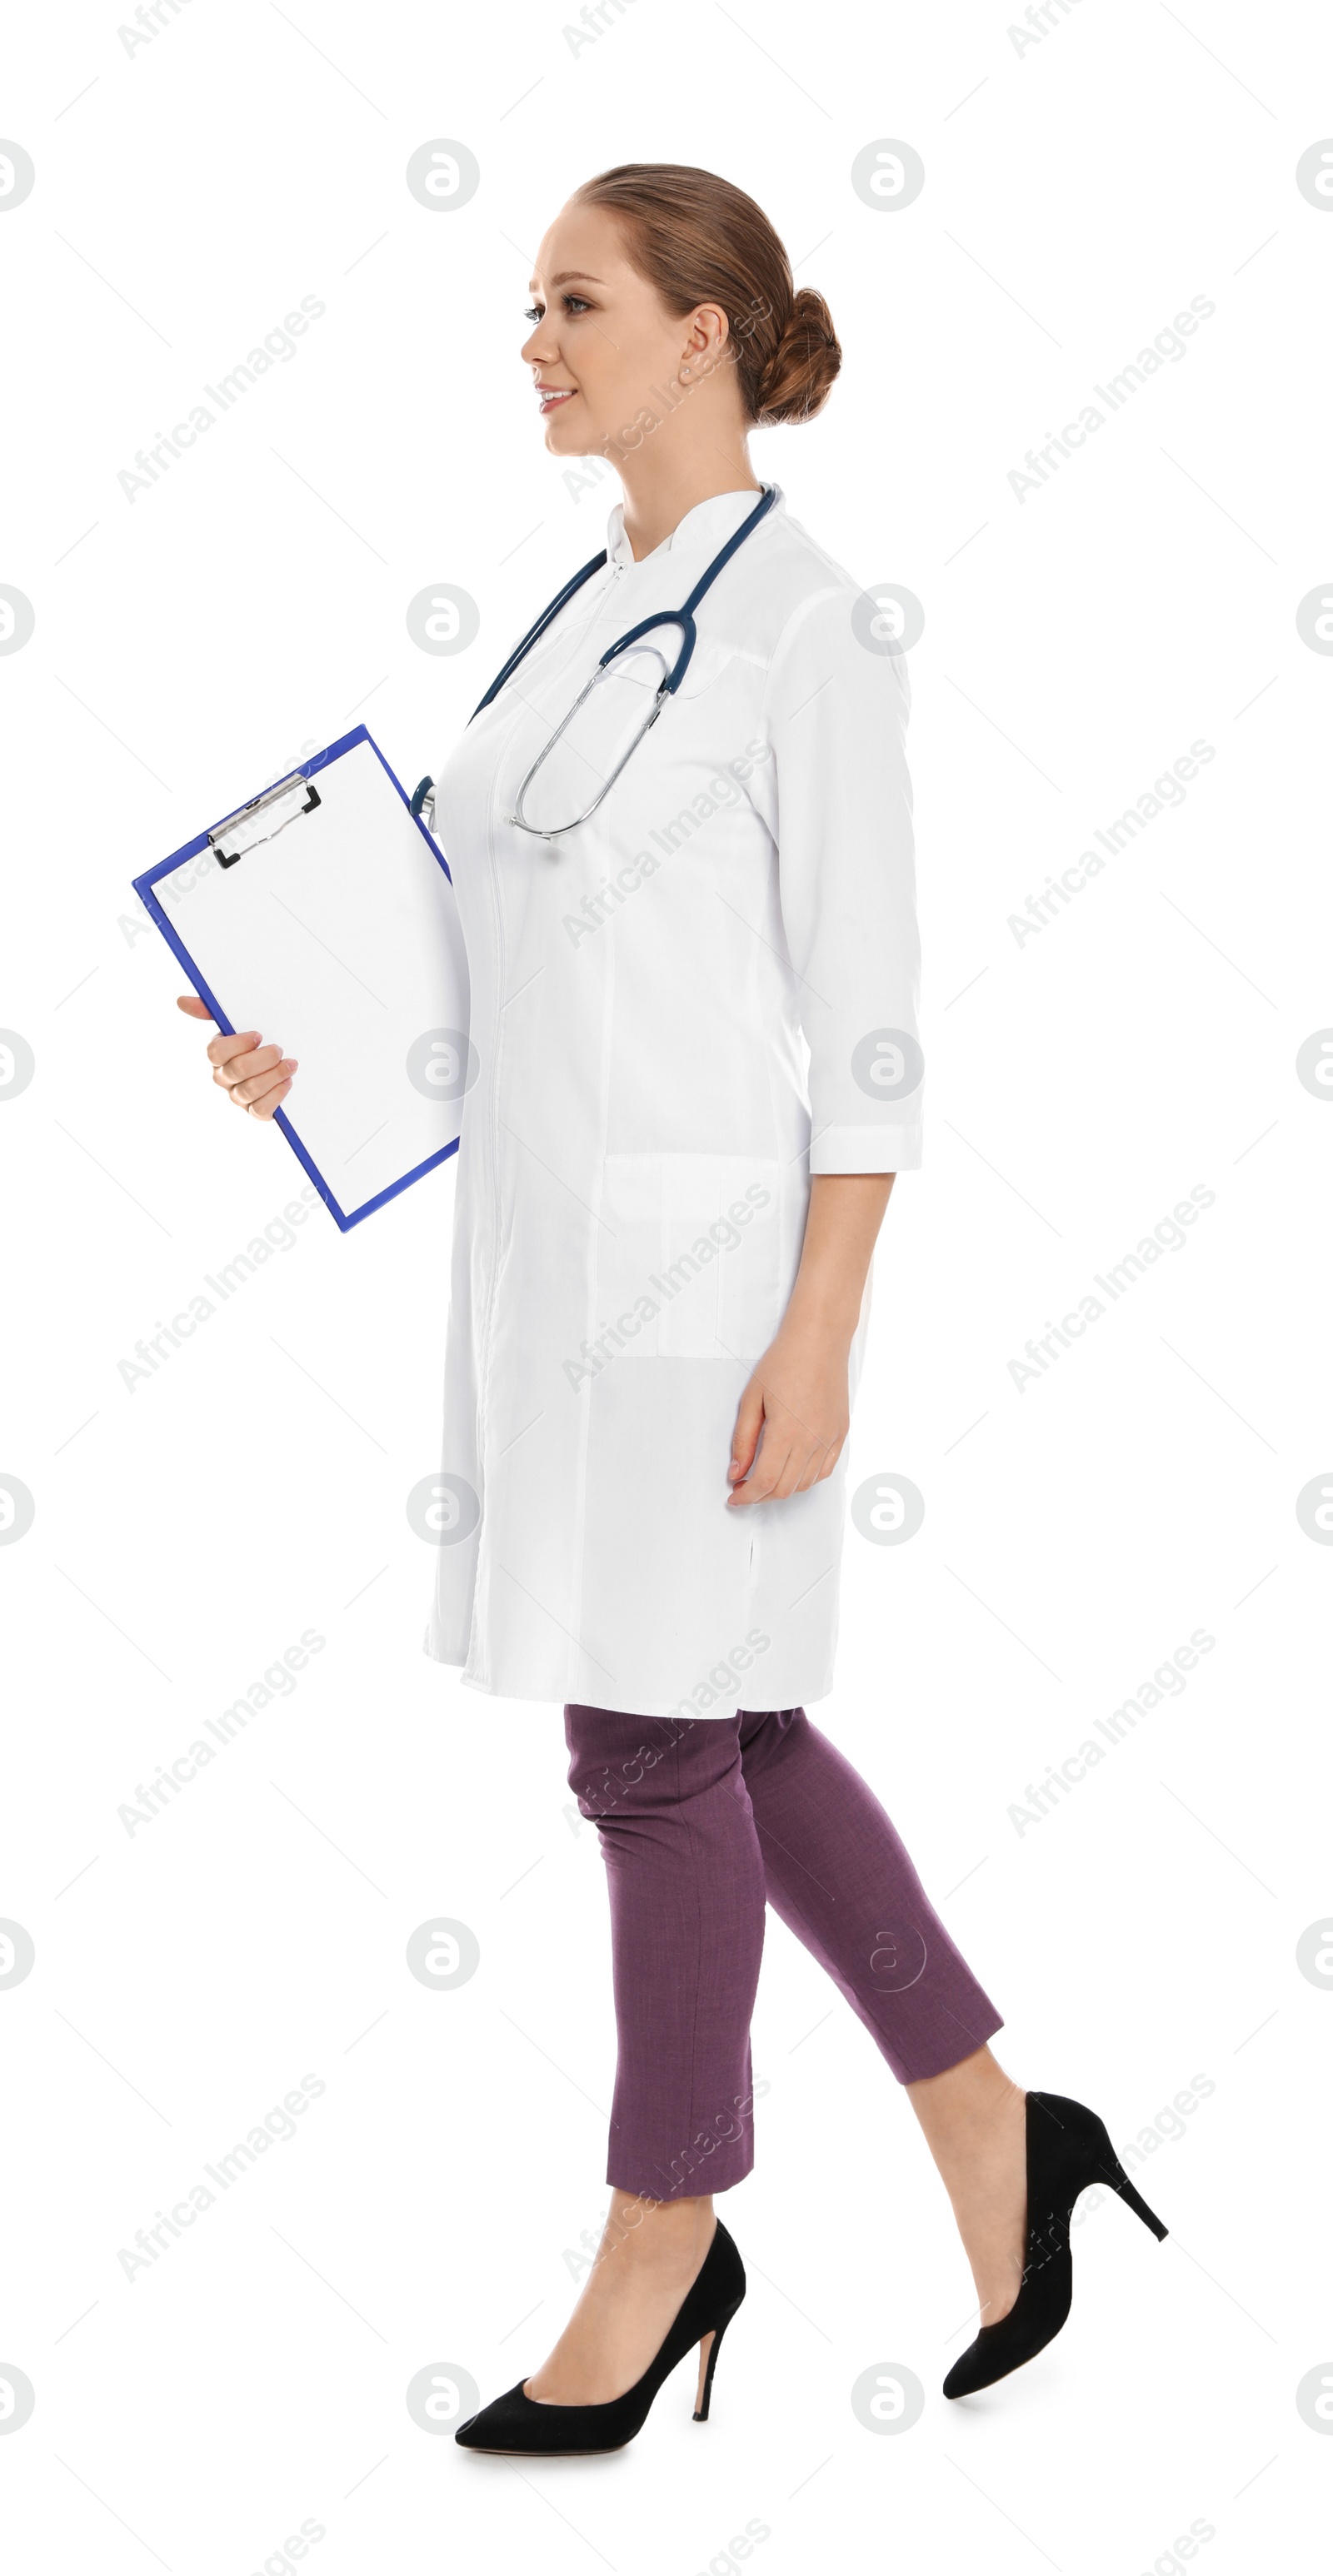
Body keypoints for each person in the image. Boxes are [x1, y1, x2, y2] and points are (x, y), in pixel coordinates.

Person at [182, 163, 1167, 2453]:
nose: (532, 341)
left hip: (716, 1288)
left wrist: (821, 1331)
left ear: (705, 330)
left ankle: (667, 2227)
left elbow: (880, 1025)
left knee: (647, 1753)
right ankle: (1001, 2138)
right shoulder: (582, 608)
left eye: (574, 302)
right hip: (545, 1275)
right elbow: (503, 966)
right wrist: (297, 1045)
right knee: (721, 1733)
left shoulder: (812, 626)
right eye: (524, 305)